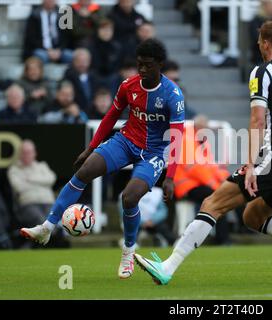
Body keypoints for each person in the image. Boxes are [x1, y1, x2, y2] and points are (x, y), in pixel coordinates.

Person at [134, 21, 272, 285]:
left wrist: (251, 165)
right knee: (253, 217)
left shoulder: (262, 72)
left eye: (259, 42)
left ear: (265, 43)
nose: (258, 46)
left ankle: (168, 267)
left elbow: (257, 121)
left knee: (212, 204)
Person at [20, 39, 185, 280]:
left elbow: (178, 138)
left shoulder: (173, 95)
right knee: (85, 171)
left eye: (147, 66)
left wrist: (171, 176)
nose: (141, 70)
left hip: (154, 153)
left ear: (159, 64)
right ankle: (46, 228)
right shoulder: (128, 86)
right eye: (139, 65)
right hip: (126, 141)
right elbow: (110, 117)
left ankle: (128, 251)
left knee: (129, 198)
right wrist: (91, 148)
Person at [173, 115, 233, 245]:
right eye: (204, 128)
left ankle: (225, 236)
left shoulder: (202, 141)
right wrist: (214, 184)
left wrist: (225, 180)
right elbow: (193, 168)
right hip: (186, 186)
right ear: (197, 127)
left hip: (199, 183)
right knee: (217, 197)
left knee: (224, 193)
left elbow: (210, 166)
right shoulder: (186, 139)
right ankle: (223, 239)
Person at [7, 140, 57, 228]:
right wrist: (43, 183)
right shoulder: (14, 170)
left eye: (29, 152)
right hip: (28, 204)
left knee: (53, 220)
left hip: (48, 202)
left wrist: (30, 179)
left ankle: (52, 237)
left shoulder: (42, 165)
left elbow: (51, 179)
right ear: (20, 154)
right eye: (25, 152)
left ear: (34, 153)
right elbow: (19, 187)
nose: (27, 155)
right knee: (44, 223)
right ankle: (54, 237)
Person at [88, 18, 123, 88]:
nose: (106, 32)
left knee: (115, 77)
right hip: (95, 76)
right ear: (97, 31)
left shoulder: (117, 47)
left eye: (109, 29)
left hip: (112, 76)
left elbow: (118, 65)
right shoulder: (90, 45)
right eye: (103, 29)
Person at [249, 0, 272, 65]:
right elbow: (257, 38)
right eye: (271, 5)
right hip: (260, 56)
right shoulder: (256, 21)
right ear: (264, 6)